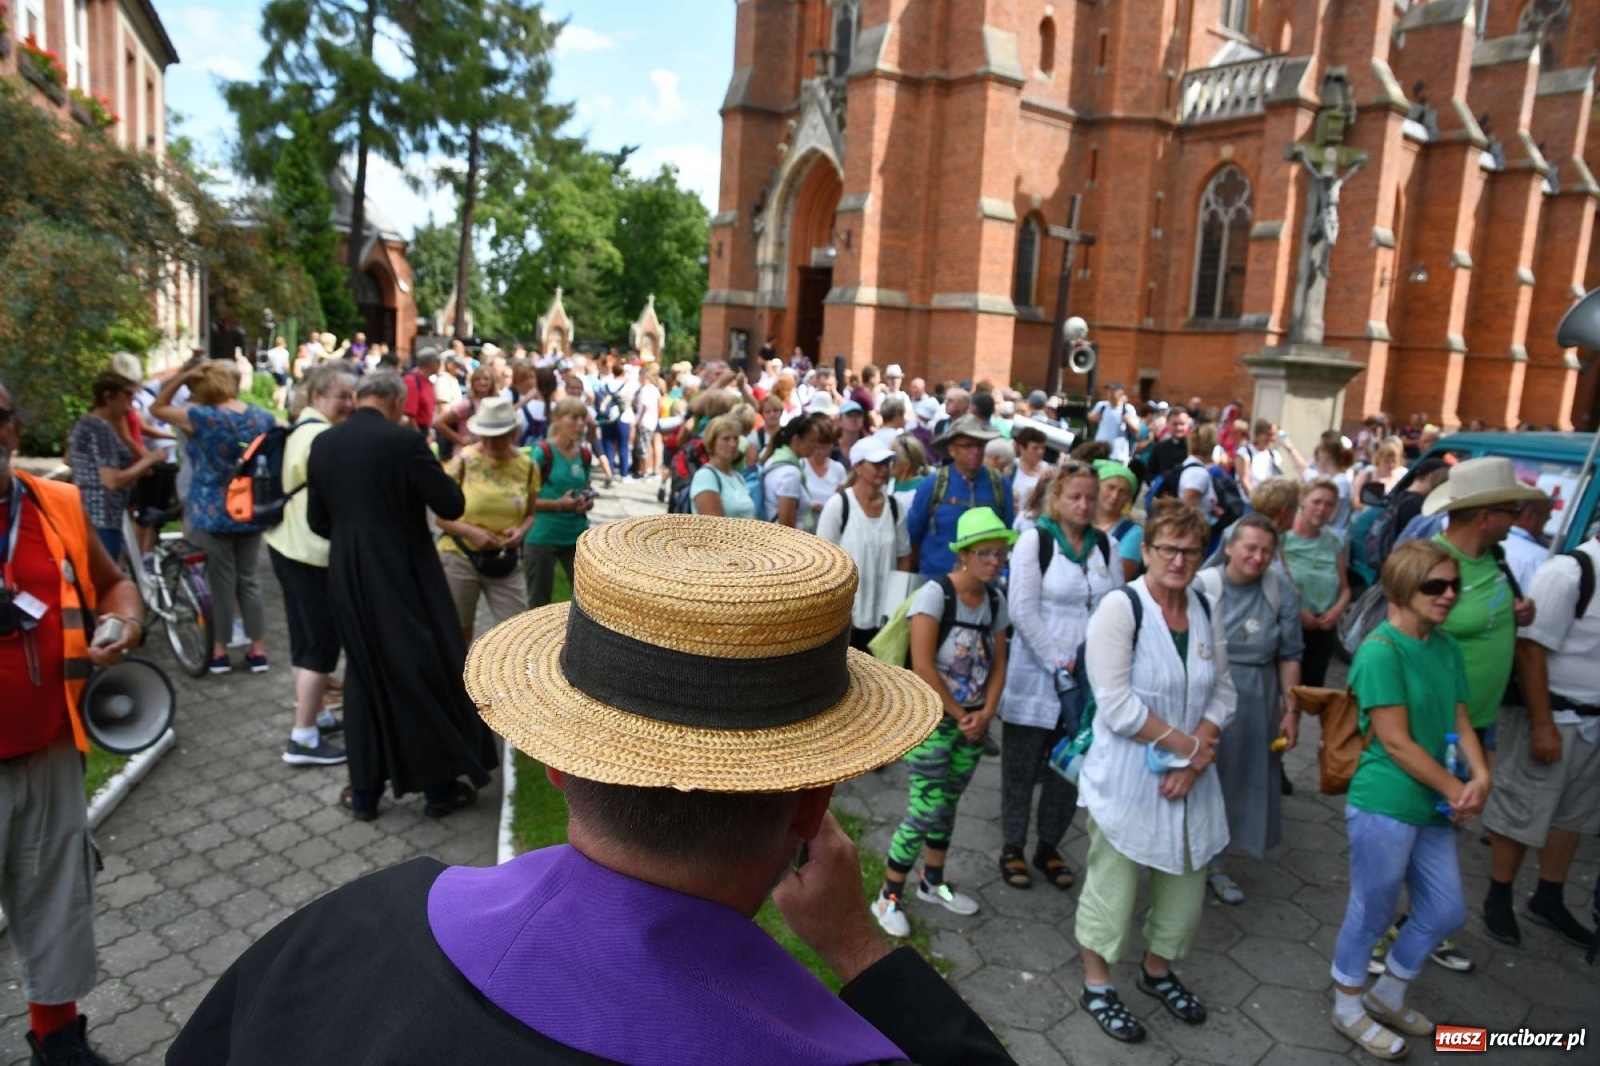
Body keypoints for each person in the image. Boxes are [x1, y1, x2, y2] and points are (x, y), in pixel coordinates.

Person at [169, 516, 1012, 1064]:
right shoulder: (841, 1053)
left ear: (558, 758)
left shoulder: (346, 928)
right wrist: (861, 953)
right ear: (812, 805)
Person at [2, 382, 143, 1066]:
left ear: (14, 424)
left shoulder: (51, 503)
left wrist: (126, 620)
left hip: (53, 746)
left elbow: (113, 581)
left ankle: (57, 1038)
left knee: (54, 896)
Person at [1074, 501, 1235, 1044]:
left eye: (1191, 550)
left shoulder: (1207, 606)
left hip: (1191, 780)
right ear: (1146, 551)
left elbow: (1223, 690)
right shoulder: (1122, 608)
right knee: (1112, 891)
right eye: (1168, 548)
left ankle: (1157, 972)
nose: (1179, 559)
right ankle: (1097, 985)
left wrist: (1196, 756)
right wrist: (1190, 749)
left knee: (1186, 892)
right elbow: (1116, 704)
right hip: (1127, 780)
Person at [306, 370, 496, 821]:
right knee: (418, 667)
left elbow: (318, 521)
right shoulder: (403, 441)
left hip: (348, 571)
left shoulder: (325, 443)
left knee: (363, 672)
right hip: (402, 569)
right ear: (395, 401)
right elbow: (450, 504)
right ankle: (437, 790)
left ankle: (367, 794)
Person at [1330, 540, 1486, 1061]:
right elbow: (1395, 741)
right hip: (1387, 803)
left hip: (1435, 805)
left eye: (1454, 586)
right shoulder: (1381, 651)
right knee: (1371, 911)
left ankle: (1387, 995)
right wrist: (1456, 788)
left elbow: (1458, 715)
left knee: (1444, 910)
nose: (1448, 596)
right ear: (1402, 587)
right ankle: (1348, 1007)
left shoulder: (1443, 645)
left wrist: (1480, 774)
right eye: (1434, 585)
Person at [873, 508, 1012, 937]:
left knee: (948, 805)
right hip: (935, 722)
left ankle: (933, 882)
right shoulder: (936, 595)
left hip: (972, 723)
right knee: (925, 807)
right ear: (965, 555)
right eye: (986, 554)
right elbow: (922, 666)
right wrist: (961, 713)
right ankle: (887, 896)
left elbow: (1001, 662)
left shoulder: (995, 600)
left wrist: (986, 714)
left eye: (1000, 553)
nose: (995, 561)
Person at [998, 462, 1123, 891]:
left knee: (1069, 768)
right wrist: (1058, 658)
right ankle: (1012, 845)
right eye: (1076, 497)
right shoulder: (1036, 541)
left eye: (1091, 497)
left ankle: (1048, 845)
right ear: (1057, 498)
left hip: (1089, 684)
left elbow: (1118, 608)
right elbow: (1022, 609)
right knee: (1021, 766)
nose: (1085, 505)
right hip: (1036, 677)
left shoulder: (1106, 546)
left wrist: (1101, 660)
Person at [1481, 529, 1600, 951]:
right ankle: (1498, 896)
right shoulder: (1570, 572)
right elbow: (1530, 650)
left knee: (1573, 816)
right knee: (1521, 807)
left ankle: (1548, 897)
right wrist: (1543, 723)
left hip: (1591, 722)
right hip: (1553, 714)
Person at [1193, 515, 1302, 904]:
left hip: (1258, 693)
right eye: (1250, 548)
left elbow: (1290, 654)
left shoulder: (1279, 588)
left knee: (1241, 780)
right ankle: (1187, 854)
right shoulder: (1204, 586)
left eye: (1266, 551)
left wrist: (1291, 711)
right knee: (1201, 772)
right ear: (1229, 548)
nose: (1257, 557)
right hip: (1207, 691)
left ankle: (1216, 860)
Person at [151, 362, 277, 674]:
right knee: (248, 580)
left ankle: (219, 652)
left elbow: (157, 407)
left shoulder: (201, 417)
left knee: (219, 582)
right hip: (249, 507)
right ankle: (257, 650)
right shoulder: (261, 416)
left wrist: (181, 377)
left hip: (212, 509)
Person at [263, 363, 356, 767]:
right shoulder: (321, 437)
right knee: (320, 644)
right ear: (317, 396)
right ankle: (301, 737)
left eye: (352, 396)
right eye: (341, 396)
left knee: (303, 638)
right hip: (311, 553)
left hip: (285, 546)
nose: (349, 404)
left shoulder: (300, 428)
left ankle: (315, 715)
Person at [1425, 457, 1543, 744]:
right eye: (1512, 511)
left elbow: (1483, 611)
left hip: (1481, 719)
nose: (1516, 520)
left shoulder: (1495, 555)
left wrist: (1517, 612)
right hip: (1437, 722)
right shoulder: (1430, 563)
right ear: (1484, 518)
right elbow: (1402, 639)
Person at [436, 397, 538, 645]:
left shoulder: (528, 467)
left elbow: (530, 515)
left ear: (513, 433)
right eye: (486, 435)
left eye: (499, 435)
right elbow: (441, 518)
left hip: (505, 559)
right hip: (460, 556)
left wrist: (521, 531)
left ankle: (500, 681)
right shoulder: (463, 461)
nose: (491, 442)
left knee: (517, 631)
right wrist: (471, 532)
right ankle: (457, 681)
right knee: (458, 630)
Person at [816, 437, 913, 648]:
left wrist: (895, 607)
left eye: (887, 464)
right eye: (876, 464)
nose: (884, 470)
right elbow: (822, 564)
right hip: (847, 621)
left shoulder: (895, 508)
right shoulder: (839, 506)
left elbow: (904, 557)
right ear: (858, 467)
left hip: (884, 621)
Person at [67, 373, 166, 559]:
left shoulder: (86, 423)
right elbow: (112, 481)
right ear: (107, 396)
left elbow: (68, 458)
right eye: (128, 394)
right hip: (100, 517)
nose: (132, 400)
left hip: (90, 514)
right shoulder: (99, 428)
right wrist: (149, 460)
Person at [908, 416, 1013, 579]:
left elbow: (1005, 535)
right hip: (937, 583)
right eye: (968, 446)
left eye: (980, 445)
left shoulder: (999, 484)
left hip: (983, 587)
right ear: (952, 450)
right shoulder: (933, 484)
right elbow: (913, 537)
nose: (976, 451)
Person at [524, 397, 598, 608]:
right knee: (538, 605)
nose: (580, 424)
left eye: (583, 418)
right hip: (542, 536)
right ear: (556, 420)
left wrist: (587, 501)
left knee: (587, 602)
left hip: (576, 534)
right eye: (573, 418)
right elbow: (525, 501)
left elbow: (586, 488)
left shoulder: (584, 454)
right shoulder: (542, 452)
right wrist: (559, 504)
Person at [1283, 478, 1350, 687]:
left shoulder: (1334, 541)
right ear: (1303, 501)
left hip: (1322, 629)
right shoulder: (1283, 539)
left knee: (1308, 692)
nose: (1322, 509)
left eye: (1329, 504)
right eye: (1317, 501)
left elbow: (1345, 588)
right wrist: (1299, 611)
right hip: (1289, 625)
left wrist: (1337, 610)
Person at [761, 412, 827, 527]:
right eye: (812, 441)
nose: (816, 446)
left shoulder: (773, 459)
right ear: (796, 440)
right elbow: (786, 524)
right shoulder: (791, 474)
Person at [690, 415, 757, 519]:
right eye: (726, 439)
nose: (733, 444)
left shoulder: (738, 477)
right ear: (712, 442)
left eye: (736, 439)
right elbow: (714, 526)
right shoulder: (705, 476)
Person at [1092, 459, 1143, 582]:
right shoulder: (1079, 520)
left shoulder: (1132, 533)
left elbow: (1119, 578)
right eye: (1111, 487)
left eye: (1123, 492)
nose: (1115, 496)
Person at [433, 365, 496, 461]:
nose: (482, 382)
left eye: (486, 379)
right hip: (466, 455)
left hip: (489, 454)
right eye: (478, 379)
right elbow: (439, 423)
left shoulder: (496, 403)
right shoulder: (466, 404)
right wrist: (460, 439)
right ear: (472, 383)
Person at [801, 421, 847, 532]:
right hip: (805, 528)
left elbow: (843, 498)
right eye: (818, 447)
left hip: (831, 525)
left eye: (826, 447)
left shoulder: (838, 469)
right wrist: (810, 507)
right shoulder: (801, 465)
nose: (822, 452)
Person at [1088, 382, 1140, 463]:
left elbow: (1136, 429)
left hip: (1118, 453)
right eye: (1109, 391)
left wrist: (1127, 421)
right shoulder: (1102, 406)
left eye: (1113, 391)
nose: (1110, 393)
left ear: (1121, 393)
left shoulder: (1128, 409)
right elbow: (1089, 416)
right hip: (1100, 449)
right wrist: (1093, 417)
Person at [1009, 425, 1053, 519]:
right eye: (1035, 448)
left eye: (1043, 448)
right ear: (1021, 448)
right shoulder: (1011, 468)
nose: (1040, 452)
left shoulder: (1048, 470)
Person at [1351, 437, 1407, 505]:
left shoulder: (1400, 480)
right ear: (1379, 459)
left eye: (1394, 461)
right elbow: (1354, 500)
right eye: (1387, 461)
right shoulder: (1367, 475)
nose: (1391, 465)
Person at [403, 347, 442, 438]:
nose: (440, 365)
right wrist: (419, 438)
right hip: (414, 431)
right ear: (430, 363)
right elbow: (409, 416)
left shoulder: (428, 381)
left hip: (425, 429)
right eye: (438, 362)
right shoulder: (411, 381)